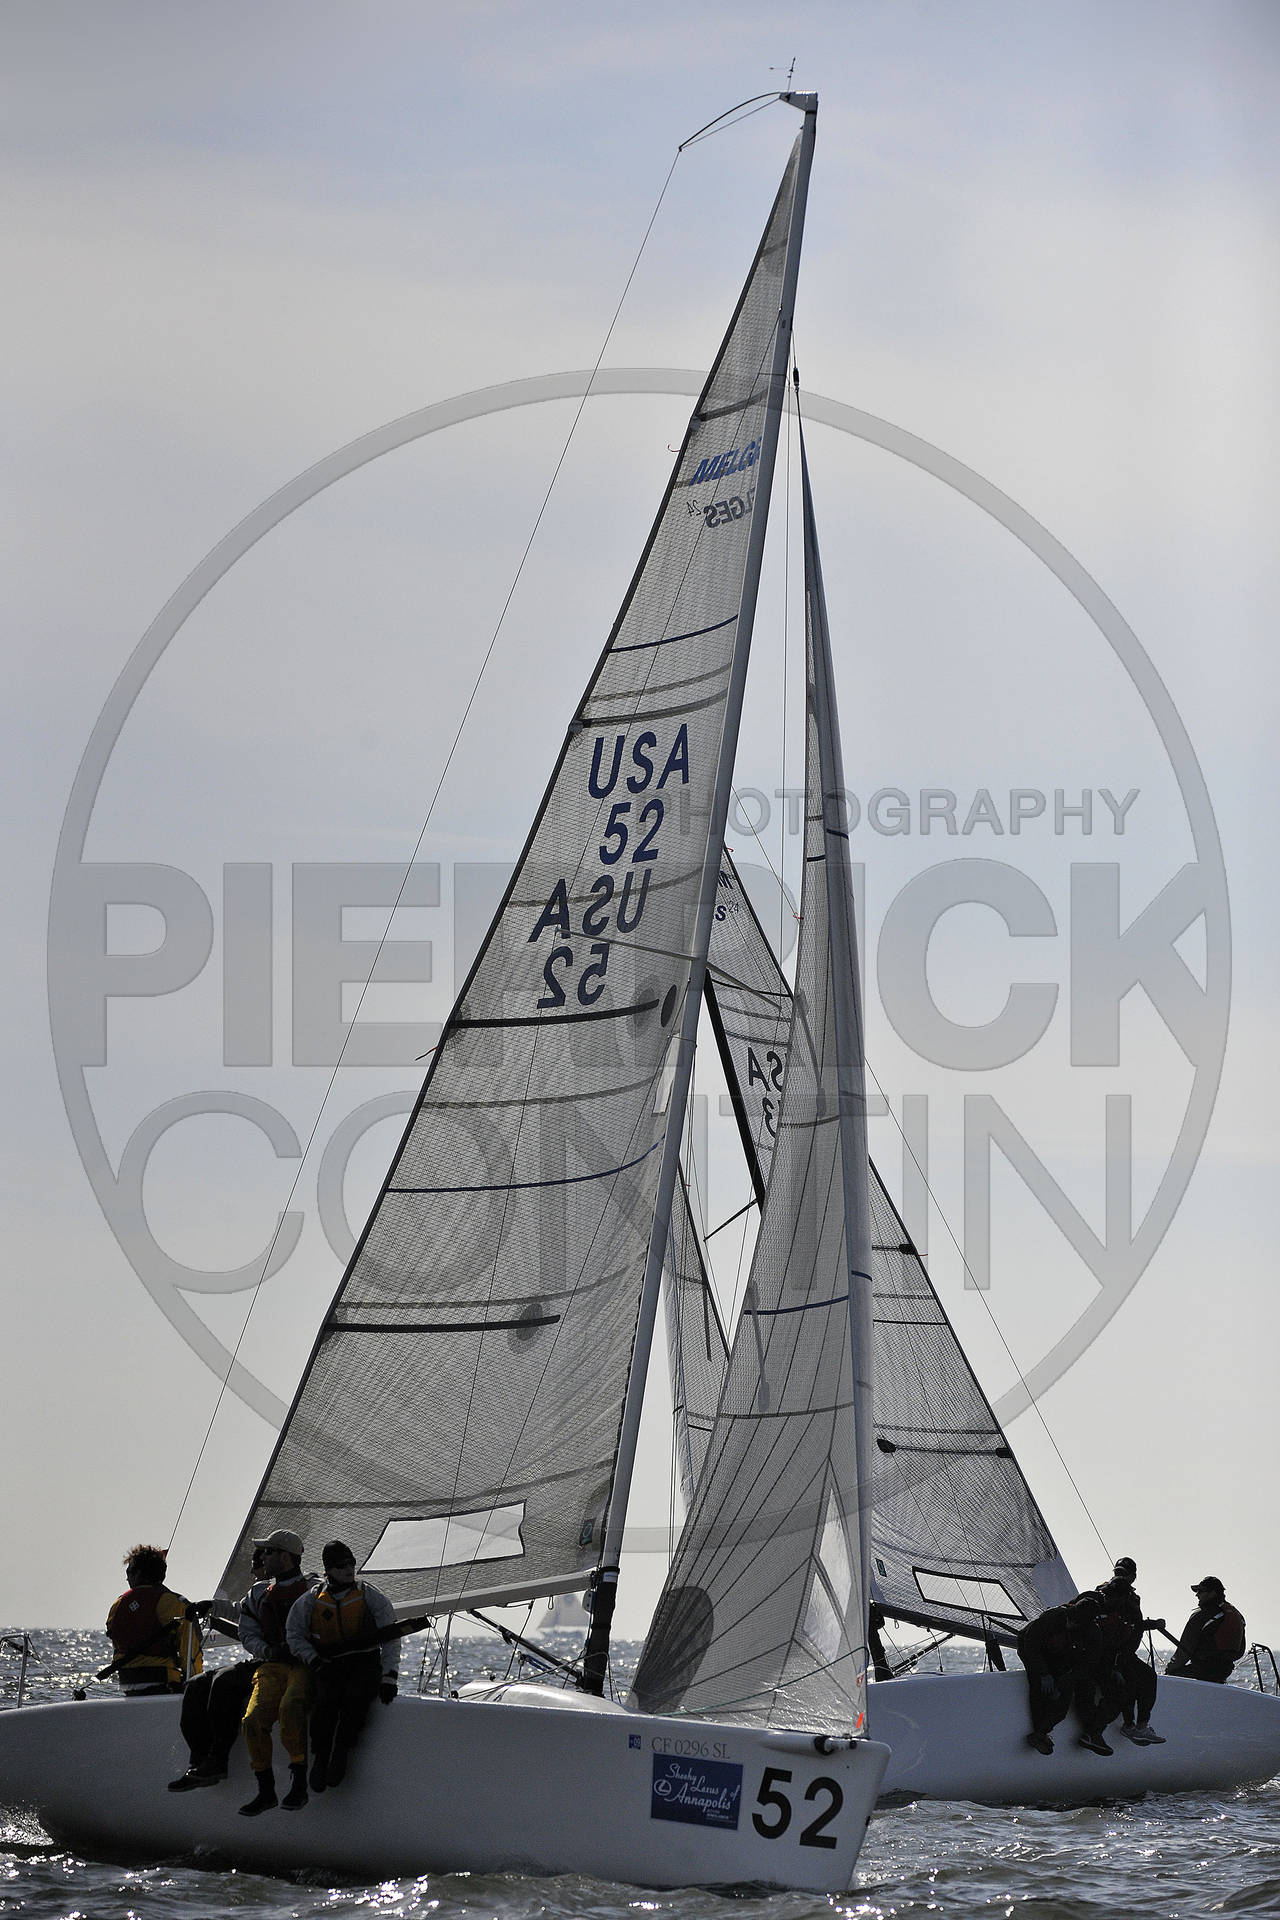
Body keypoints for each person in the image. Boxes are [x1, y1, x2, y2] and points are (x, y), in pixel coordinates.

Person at [287, 1540, 399, 1793]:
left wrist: (389, 1677)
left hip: (364, 1663)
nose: (349, 1570)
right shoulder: (311, 1600)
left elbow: (391, 1636)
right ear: (328, 1570)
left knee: (355, 1702)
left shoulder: (370, 1595)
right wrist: (314, 1661)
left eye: (351, 1563)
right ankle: (320, 1758)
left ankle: (341, 1754)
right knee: (324, 1706)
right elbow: (294, 1634)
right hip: (329, 1665)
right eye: (341, 1566)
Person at [168, 1545, 269, 1791]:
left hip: (273, 1662)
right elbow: (239, 1610)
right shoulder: (259, 1592)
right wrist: (210, 1606)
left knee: (224, 1681)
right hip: (259, 1660)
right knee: (195, 1685)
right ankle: (199, 1762)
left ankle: (218, 1760)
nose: (252, 1573)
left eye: (255, 1567)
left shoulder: (293, 1589)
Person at [238, 1529, 314, 1815]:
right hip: (272, 1665)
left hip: (304, 1665)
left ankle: (299, 1784)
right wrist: (268, 1651)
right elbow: (247, 1633)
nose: (262, 1558)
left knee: (290, 1707)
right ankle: (266, 1790)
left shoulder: (314, 1589)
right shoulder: (258, 1594)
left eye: (268, 1552)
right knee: (252, 1720)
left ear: (285, 1556)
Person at [1015, 1591, 1104, 1755]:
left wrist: (1067, 1680)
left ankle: (1043, 1732)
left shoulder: (1092, 1632)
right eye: (1071, 1618)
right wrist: (1044, 1673)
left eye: (1076, 1622)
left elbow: (1089, 1662)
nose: (1071, 1623)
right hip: (1031, 1648)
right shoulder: (1053, 1616)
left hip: (1061, 1655)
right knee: (1039, 1687)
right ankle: (1038, 1733)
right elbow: (1030, 1645)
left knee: (1064, 1695)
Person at [106, 1544, 202, 1695]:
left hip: (127, 1684)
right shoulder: (174, 1603)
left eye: (129, 1572)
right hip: (163, 1683)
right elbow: (190, 1650)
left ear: (139, 1574)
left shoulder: (117, 1604)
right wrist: (196, 1686)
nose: (127, 1578)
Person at [1094, 1556, 1164, 1745]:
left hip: (1124, 1652)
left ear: (1133, 1576)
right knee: (1130, 1682)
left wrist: (1153, 1624)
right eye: (1118, 1572)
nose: (1120, 1576)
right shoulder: (1104, 1591)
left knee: (1148, 1677)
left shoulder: (1131, 1597)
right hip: (1108, 1653)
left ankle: (1141, 1726)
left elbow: (1134, 1623)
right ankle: (1129, 1725)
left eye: (1123, 1573)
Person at [1167, 1577, 1246, 1683]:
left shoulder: (1202, 1615)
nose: (1197, 1595)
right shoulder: (1237, 1615)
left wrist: (1169, 1670)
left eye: (1200, 1591)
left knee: (1172, 1674)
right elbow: (1240, 1651)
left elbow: (1184, 1649)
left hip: (1202, 1670)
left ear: (1212, 1593)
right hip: (1224, 1671)